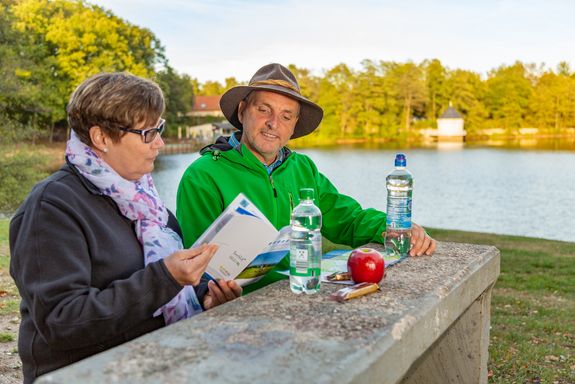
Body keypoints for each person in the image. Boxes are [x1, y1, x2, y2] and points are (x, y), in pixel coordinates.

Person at [9, 72, 242, 383]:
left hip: (154, 362)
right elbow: (61, 322)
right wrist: (165, 278)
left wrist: (205, 297)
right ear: (101, 138)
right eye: (147, 133)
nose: (160, 142)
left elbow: (166, 286)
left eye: (159, 129)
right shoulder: (51, 207)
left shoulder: (146, 201)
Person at [176, 63, 436, 293]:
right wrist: (209, 294)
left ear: (294, 124)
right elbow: (195, 270)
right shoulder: (203, 175)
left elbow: (348, 219)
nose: (273, 123)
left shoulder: (303, 168)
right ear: (243, 111)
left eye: (286, 116)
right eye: (264, 110)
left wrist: (393, 226)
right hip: (237, 310)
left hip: (299, 295)